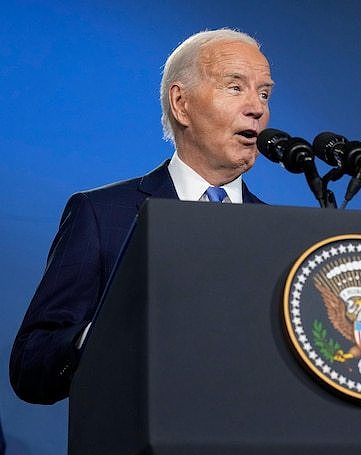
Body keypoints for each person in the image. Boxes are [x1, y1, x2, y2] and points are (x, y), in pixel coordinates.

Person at [10, 28, 274, 405]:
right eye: (235, 88)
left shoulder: (275, 231)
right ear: (181, 104)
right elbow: (30, 366)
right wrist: (103, 336)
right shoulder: (103, 216)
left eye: (264, 92)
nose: (257, 107)